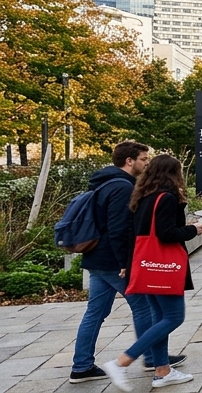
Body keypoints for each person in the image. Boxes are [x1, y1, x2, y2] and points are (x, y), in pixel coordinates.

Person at [99, 155, 202, 391]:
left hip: (146, 265)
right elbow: (167, 233)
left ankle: (162, 371)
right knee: (173, 317)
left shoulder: (143, 196)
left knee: (159, 318)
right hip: (163, 267)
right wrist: (193, 229)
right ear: (172, 173)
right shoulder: (166, 198)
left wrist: (129, 265)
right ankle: (122, 361)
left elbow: (132, 234)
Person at [71, 142, 167, 384]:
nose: (147, 163)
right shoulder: (122, 187)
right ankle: (152, 358)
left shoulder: (103, 182)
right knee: (143, 305)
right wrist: (125, 261)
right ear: (129, 161)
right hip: (114, 260)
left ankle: (81, 367)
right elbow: (118, 228)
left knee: (95, 312)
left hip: (96, 258)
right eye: (144, 159)